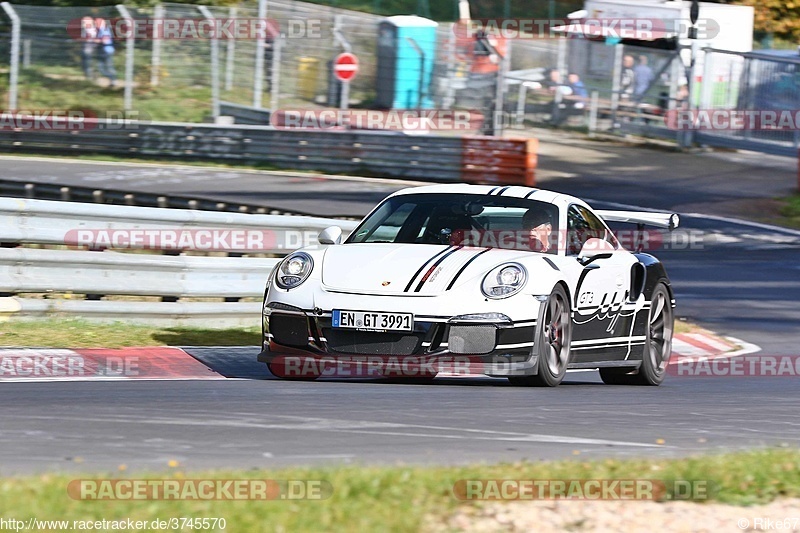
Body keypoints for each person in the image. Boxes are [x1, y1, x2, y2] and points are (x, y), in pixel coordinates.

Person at [95, 18, 117, 88]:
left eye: (97, 23)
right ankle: (112, 80)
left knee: (107, 67)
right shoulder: (101, 30)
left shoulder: (104, 30)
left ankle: (113, 80)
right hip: (104, 51)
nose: (95, 24)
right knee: (102, 68)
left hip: (107, 51)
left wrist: (97, 41)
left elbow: (105, 40)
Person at [80, 16, 96, 81]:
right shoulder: (85, 29)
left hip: (89, 49)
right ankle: (89, 77)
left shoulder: (91, 29)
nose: (82, 23)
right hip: (85, 48)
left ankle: (90, 78)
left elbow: (89, 39)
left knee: (88, 64)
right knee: (85, 64)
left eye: (84, 22)